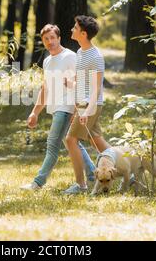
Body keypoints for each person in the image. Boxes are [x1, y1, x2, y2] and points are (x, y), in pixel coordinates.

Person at [20, 24, 96, 191]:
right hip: (56, 108)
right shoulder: (47, 61)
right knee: (73, 144)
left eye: (52, 38)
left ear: (59, 38)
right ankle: (93, 175)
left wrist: (79, 109)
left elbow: (82, 83)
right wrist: (35, 112)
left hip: (67, 107)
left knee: (52, 144)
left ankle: (37, 183)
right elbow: (45, 89)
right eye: (46, 39)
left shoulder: (69, 56)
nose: (50, 42)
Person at [63, 15, 112, 195]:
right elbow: (83, 80)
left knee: (70, 140)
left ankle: (81, 185)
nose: (72, 30)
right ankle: (126, 174)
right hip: (82, 103)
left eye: (75, 28)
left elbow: (96, 89)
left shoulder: (95, 56)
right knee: (96, 140)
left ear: (83, 33)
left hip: (89, 105)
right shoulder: (80, 52)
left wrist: (86, 111)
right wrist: (72, 82)